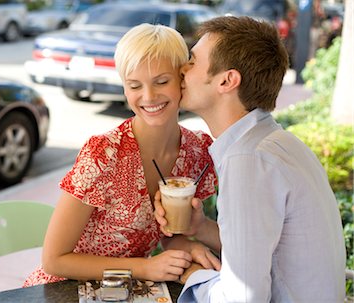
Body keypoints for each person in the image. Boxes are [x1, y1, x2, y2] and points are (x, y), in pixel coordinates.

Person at [154, 16, 346, 302]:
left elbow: (244, 297)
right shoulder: (277, 143)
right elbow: (270, 249)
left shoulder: (248, 160)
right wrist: (201, 229)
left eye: (193, 61)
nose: (182, 69)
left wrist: (192, 275)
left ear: (227, 80)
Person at [23, 23, 220, 286]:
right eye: (134, 85)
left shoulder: (196, 152)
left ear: (183, 79)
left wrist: (187, 245)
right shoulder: (103, 154)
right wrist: (144, 268)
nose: (149, 96)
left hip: (125, 290)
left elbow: (165, 231)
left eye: (162, 81)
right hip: (62, 288)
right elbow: (55, 260)